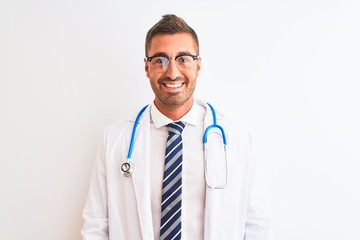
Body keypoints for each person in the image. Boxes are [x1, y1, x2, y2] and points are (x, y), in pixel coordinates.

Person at [81, 14, 271, 240]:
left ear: (198, 65)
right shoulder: (114, 139)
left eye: (183, 59)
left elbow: (256, 224)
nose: (172, 72)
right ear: (147, 67)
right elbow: (95, 226)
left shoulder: (237, 137)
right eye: (160, 60)